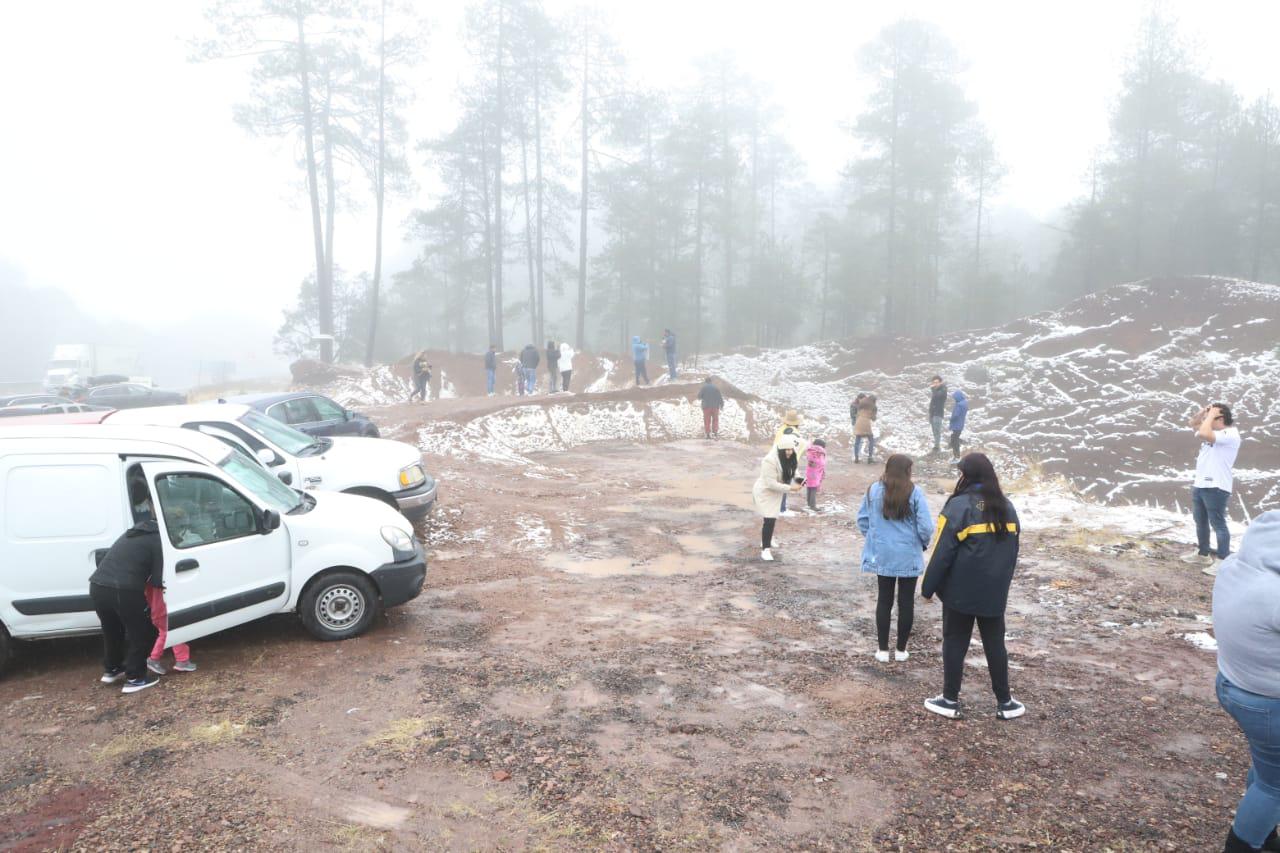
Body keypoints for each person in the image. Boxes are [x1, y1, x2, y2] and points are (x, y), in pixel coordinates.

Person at [920, 452, 1024, 721]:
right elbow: (1013, 553)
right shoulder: (1007, 506)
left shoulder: (958, 506)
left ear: (966, 475)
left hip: (960, 591)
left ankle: (950, 700)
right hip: (993, 591)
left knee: (955, 642)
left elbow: (943, 551)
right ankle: (1005, 703)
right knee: (995, 644)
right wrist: (1001, 585)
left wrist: (928, 587)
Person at [1212, 511, 1280, 853]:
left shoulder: (1235, 567)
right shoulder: (1274, 593)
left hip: (1231, 683)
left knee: (1269, 768)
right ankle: (1244, 845)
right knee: (1276, 785)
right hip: (1267, 702)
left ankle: (1265, 835)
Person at [858, 454, 935, 662]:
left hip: (882, 553)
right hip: (908, 553)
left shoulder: (873, 490)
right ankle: (901, 650)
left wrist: (876, 538)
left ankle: (882, 650)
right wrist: (920, 542)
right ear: (907, 471)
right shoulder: (914, 492)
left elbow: (862, 521)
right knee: (906, 601)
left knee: (884, 600)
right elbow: (926, 527)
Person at [90, 478, 163, 694]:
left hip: (97, 586)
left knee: (112, 630)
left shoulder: (131, 534)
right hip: (124, 590)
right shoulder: (157, 540)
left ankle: (112, 669)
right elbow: (158, 580)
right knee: (144, 631)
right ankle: (135, 677)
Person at [1181, 403, 1241, 574]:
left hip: (1216, 485)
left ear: (1220, 418)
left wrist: (1212, 413)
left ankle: (1222, 560)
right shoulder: (1214, 432)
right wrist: (1204, 412)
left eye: (1211, 417)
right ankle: (1203, 554)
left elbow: (1203, 432)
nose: (1206, 420)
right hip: (1201, 483)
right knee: (1200, 520)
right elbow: (1193, 424)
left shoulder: (1230, 434)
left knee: (1218, 523)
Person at [752, 434, 804, 562]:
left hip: (776, 493)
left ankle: (768, 539)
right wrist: (791, 488)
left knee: (772, 517)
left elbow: (794, 470)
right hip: (765, 492)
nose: (789, 452)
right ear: (780, 450)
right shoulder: (769, 460)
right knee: (769, 518)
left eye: (791, 449)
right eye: (786, 450)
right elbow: (771, 483)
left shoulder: (791, 456)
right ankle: (765, 549)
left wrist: (800, 480)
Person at [774, 411, 805, 515]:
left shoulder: (781, 430)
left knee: (779, 484)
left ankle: (777, 507)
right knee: (785, 485)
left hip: (777, 459)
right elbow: (798, 448)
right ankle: (781, 509)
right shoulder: (795, 434)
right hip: (788, 461)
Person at [804, 438, 827, 512]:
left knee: (809, 487)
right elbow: (821, 463)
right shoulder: (820, 452)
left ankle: (809, 503)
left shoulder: (810, 451)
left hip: (809, 472)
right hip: (816, 473)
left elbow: (810, 459)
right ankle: (813, 505)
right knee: (814, 489)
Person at [854, 394, 877, 464]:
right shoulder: (874, 407)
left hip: (858, 422)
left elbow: (857, 413)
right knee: (871, 440)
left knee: (857, 440)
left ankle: (856, 458)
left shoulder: (861, 404)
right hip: (866, 423)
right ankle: (870, 458)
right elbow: (873, 418)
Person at [929, 375, 948, 454]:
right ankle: (936, 445)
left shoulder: (943, 390)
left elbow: (938, 396)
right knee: (934, 430)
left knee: (937, 430)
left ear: (940, 382)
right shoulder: (935, 391)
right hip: (933, 414)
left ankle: (937, 446)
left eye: (936, 382)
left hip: (938, 414)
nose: (935, 384)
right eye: (934, 383)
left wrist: (933, 389)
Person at [948, 389, 969, 459]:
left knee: (955, 439)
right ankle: (956, 453)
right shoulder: (965, 403)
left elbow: (956, 415)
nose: (954, 399)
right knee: (955, 436)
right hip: (961, 424)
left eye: (955, 398)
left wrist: (951, 419)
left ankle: (956, 455)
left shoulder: (959, 405)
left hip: (956, 424)